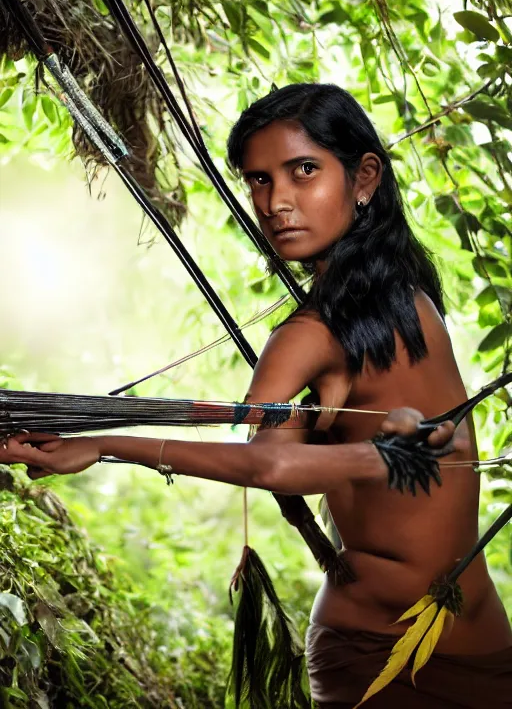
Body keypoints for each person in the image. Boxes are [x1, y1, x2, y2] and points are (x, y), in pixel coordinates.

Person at [3, 84, 511, 707]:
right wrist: (106, 441)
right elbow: (272, 467)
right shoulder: (307, 335)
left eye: (303, 171)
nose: (276, 202)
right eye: (259, 180)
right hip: (372, 649)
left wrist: (326, 431)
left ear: (364, 177)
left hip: (483, 645)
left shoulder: (406, 302)